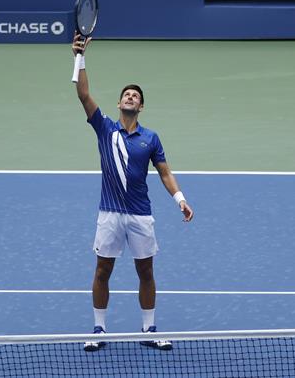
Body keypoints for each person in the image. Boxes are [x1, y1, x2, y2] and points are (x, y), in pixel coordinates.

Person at [71, 33, 194, 352]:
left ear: (141, 106)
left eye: (135, 96)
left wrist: (180, 199)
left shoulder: (151, 138)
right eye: (126, 94)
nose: (130, 97)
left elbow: (165, 172)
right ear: (119, 103)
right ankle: (99, 330)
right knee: (102, 270)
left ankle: (149, 329)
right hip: (109, 213)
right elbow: (83, 93)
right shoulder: (105, 129)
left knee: (146, 271)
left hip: (140, 214)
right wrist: (79, 57)